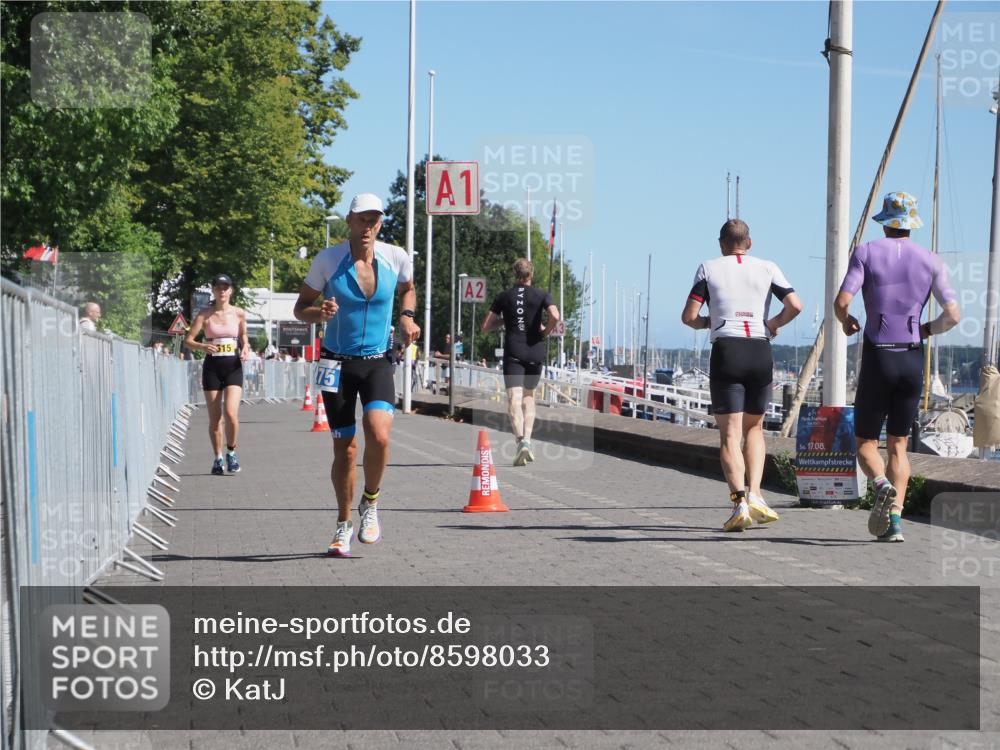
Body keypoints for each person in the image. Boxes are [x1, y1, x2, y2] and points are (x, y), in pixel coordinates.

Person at [294, 193, 419, 558]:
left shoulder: (395, 257)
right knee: (345, 450)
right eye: (362, 219)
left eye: (374, 220)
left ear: (380, 224)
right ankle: (343, 522)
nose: (367, 227)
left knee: (378, 434)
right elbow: (301, 308)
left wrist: (407, 316)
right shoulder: (328, 260)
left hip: (377, 361)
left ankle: (371, 502)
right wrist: (319, 313)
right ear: (349, 220)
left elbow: (408, 289)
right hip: (335, 364)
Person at [834, 192, 960, 543]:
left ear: (885, 222)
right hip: (912, 356)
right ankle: (894, 523)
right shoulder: (931, 260)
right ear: (911, 223)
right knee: (899, 446)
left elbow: (842, 301)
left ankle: (880, 484)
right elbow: (953, 315)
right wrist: (926, 330)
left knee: (865, 443)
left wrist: (847, 321)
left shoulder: (866, 252)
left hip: (880, 355)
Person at [682, 219, 802, 532]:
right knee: (755, 428)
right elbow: (795, 305)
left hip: (727, 351)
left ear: (721, 244)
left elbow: (689, 316)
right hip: (759, 350)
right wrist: (772, 324)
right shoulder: (768, 267)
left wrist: (708, 322)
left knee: (730, 434)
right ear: (749, 243)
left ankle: (739, 504)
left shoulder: (708, 268)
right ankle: (757, 494)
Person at [481, 258, 561, 466]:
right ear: (531, 274)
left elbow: (486, 326)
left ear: (514, 274)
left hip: (514, 352)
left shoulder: (504, 296)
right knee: (529, 397)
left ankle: (520, 442)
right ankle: (528, 440)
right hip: (535, 351)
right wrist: (546, 331)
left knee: (513, 399)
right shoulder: (542, 294)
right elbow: (555, 315)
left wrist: (506, 320)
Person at [184, 274, 251, 476]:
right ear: (213, 290)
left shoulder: (239, 313)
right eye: (218, 287)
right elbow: (188, 340)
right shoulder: (204, 315)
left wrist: (245, 346)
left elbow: (243, 335)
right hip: (212, 367)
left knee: (231, 413)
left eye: (225, 287)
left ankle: (231, 452)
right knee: (215, 419)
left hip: (233, 366)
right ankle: (218, 458)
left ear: (231, 290)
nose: (222, 290)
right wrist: (203, 346)